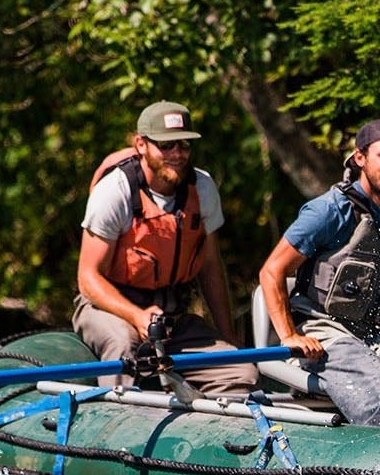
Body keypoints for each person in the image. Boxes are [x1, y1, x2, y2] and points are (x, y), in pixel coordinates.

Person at [257, 119, 380, 426]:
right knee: (377, 393)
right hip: (323, 333)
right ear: (360, 158)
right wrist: (289, 335)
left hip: (376, 336)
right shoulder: (328, 211)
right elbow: (271, 271)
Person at [73, 100, 261, 396]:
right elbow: (88, 279)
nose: (177, 154)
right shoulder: (115, 191)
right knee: (124, 348)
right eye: (166, 145)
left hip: (172, 318)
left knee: (242, 370)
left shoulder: (202, 188)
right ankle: (120, 424)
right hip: (108, 308)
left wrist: (228, 338)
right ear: (141, 145)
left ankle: (211, 433)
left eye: (184, 145)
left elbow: (211, 268)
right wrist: (136, 316)